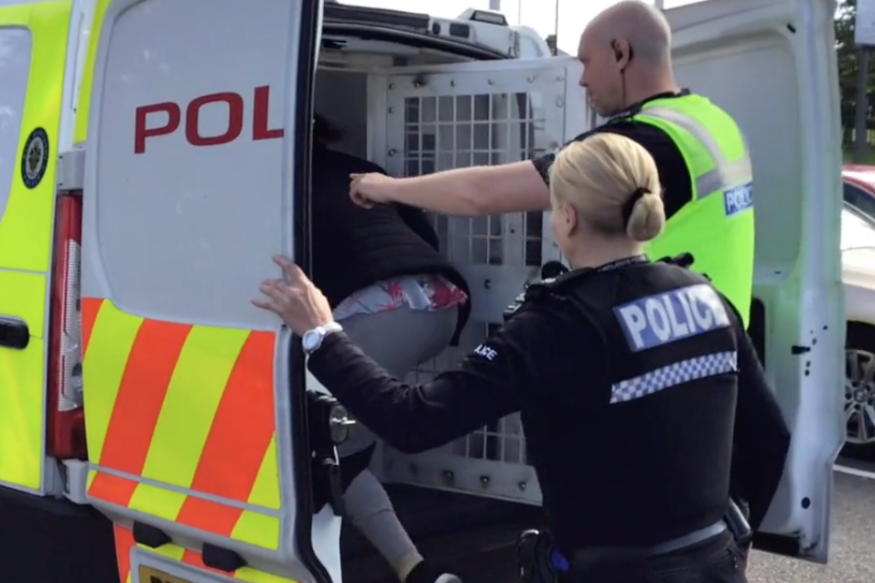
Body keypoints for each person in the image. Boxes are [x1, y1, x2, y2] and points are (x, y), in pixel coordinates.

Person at [254, 133, 790, 583]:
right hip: (715, 566)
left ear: (567, 217)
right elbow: (768, 438)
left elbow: (413, 421)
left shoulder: (557, 323)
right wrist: (730, 544)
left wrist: (322, 334)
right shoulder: (706, 297)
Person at [348, 0, 755, 327]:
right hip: (713, 334)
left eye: (586, 62)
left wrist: (385, 187)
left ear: (621, 53)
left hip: (669, 340)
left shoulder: (642, 143)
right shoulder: (711, 120)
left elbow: (483, 194)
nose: (581, 79)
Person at [306, 113, 471, 583]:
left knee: (320, 445)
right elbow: (421, 232)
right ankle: (414, 571)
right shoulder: (358, 168)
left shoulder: (283, 183)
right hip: (439, 301)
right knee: (347, 440)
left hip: (381, 312)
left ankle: (409, 571)